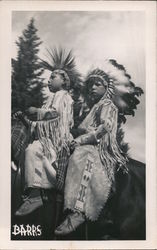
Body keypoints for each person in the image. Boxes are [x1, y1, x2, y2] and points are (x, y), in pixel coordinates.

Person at [54, 68, 129, 236]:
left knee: (80, 157)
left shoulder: (107, 105)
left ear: (106, 88)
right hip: (89, 141)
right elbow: (84, 128)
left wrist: (80, 140)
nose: (93, 88)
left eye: (98, 84)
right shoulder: (96, 106)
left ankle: (79, 211)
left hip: (98, 147)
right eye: (91, 85)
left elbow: (104, 129)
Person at [15, 48, 80, 216]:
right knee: (28, 149)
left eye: (53, 77)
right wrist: (25, 120)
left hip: (57, 142)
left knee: (33, 150)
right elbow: (41, 124)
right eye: (49, 77)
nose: (48, 80)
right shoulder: (50, 99)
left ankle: (36, 195)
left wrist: (37, 111)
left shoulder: (63, 96)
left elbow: (57, 117)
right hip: (47, 139)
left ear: (64, 81)